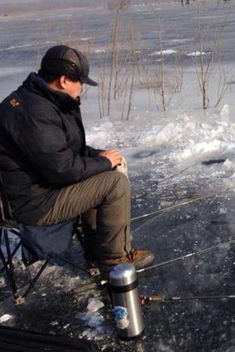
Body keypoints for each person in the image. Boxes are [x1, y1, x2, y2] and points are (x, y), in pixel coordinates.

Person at [0, 45, 154, 270]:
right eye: (80, 82)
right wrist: (103, 162)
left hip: (36, 190)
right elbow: (62, 169)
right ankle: (115, 258)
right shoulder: (35, 113)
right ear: (63, 80)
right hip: (34, 204)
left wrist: (97, 156)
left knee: (102, 171)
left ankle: (99, 248)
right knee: (114, 183)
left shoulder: (39, 100)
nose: (82, 88)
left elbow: (61, 150)